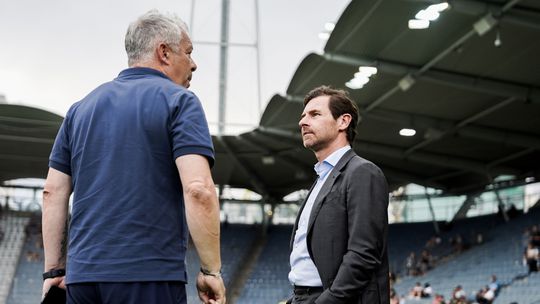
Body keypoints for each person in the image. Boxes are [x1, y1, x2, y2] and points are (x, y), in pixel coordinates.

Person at [41, 10, 225, 304]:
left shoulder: (80, 109)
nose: (193, 64)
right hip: (148, 275)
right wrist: (210, 270)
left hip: (82, 278)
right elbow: (199, 189)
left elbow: (52, 192)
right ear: (164, 52)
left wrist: (53, 271)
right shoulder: (180, 101)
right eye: (188, 52)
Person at [287, 86, 389, 303]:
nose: (302, 122)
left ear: (343, 121)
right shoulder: (320, 179)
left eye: (314, 114)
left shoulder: (362, 172)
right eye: (303, 116)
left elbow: (363, 254)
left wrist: (327, 300)